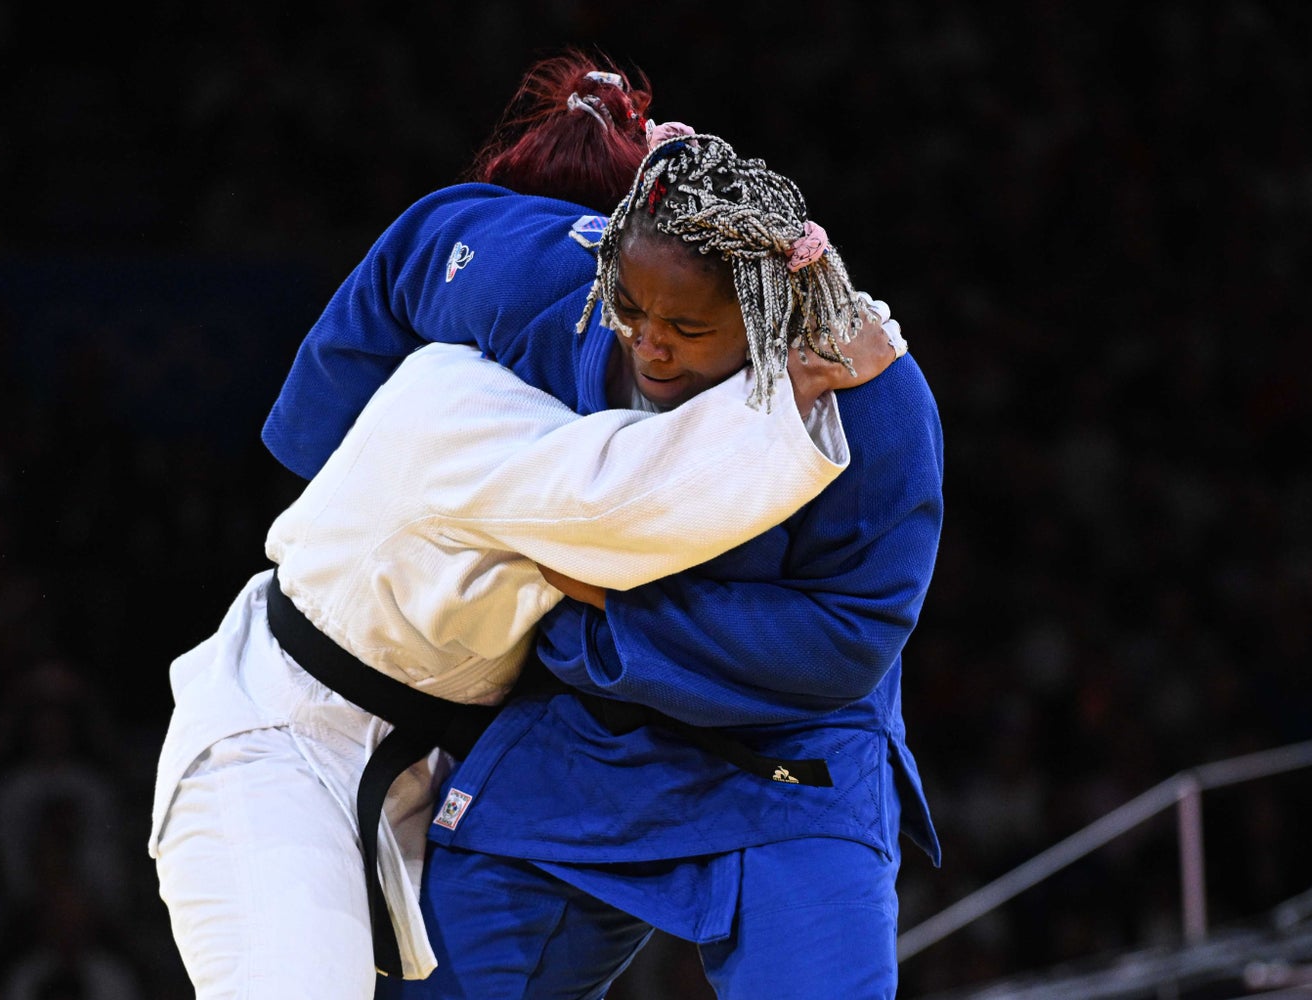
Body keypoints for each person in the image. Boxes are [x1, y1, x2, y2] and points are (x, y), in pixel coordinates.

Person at [148, 56, 908, 999]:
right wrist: (798, 382)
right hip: (300, 741)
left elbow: (850, 635)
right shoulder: (477, 378)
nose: (648, 340)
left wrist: (608, 618)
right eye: (629, 309)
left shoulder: (855, 388)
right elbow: (633, 492)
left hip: (514, 755)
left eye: (685, 326)